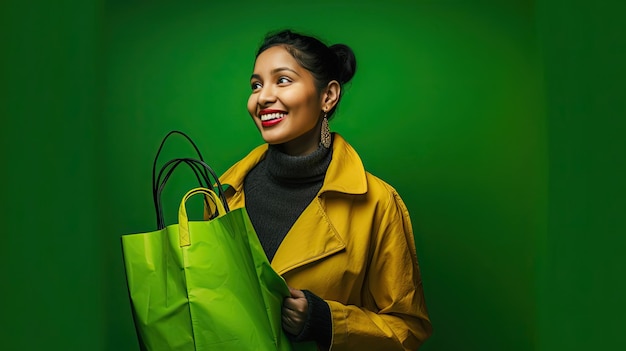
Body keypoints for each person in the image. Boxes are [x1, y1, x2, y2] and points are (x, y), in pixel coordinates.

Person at [217, 29, 432, 350]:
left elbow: (407, 329)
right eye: (256, 85)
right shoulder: (224, 192)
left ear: (328, 96)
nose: (262, 97)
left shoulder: (377, 202)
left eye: (283, 80)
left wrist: (325, 320)